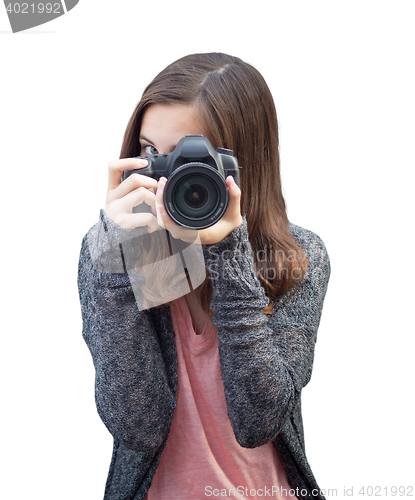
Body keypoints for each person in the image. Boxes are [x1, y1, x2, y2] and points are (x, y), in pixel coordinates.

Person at [78, 53, 331, 500]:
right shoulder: (116, 250)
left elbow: (259, 422)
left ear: (243, 162)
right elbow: (138, 426)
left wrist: (229, 252)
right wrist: (117, 265)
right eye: (151, 153)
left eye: (190, 159)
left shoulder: (297, 256)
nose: (168, 176)